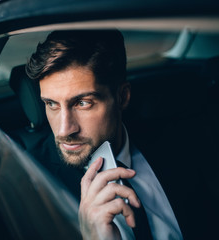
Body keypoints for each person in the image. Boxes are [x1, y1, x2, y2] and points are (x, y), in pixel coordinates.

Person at [25, 30, 182, 239]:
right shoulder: (28, 183)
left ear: (122, 97)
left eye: (83, 103)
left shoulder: (177, 143)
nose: (64, 130)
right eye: (51, 104)